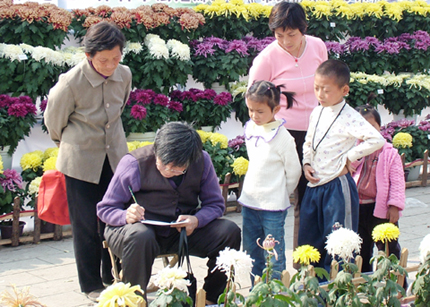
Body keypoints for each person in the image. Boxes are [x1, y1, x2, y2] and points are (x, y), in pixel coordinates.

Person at [97, 121, 241, 305]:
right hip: (133, 232)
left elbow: (215, 204)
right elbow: (105, 209)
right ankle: (134, 301)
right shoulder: (134, 163)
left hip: (179, 231)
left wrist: (197, 220)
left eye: (177, 168)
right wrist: (125, 215)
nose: (168, 171)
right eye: (163, 164)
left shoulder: (201, 161)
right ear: (156, 149)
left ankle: (212, 298)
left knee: (229, 231)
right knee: (141, 236)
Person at [44, 21, 132, 301]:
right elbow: (53, 122)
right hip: (81, 161)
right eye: (103, 60)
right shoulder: (71, 82)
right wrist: (71, 144)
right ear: (88, 56)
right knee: (87, 226)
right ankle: (92, 284)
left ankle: (116, 278)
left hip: (115, 158)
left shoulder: (125, 74)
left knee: (117, 219)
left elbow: (122, 108)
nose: (110, 66)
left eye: (116, 59)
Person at [247, 2, 328, 255]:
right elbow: (253, 100)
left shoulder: (317, 47)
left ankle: (308, 263)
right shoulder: (266, 59)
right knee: (279, 201)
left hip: (316, 132)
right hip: (283, 135)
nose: (285, 41)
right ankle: (275, 263)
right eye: (279, 35)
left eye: (291, 34)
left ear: (303, 29)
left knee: (310, 200)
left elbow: (326, 85)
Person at [298, 59, 385, 272]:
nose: (320, 94)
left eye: (326, 90)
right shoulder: (317, 112)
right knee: (310, 240)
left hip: (337, 186)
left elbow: (376, 139)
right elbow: (308, 141)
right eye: (316, 88)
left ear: (344, 90)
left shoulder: (350, 116)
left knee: (339, 243)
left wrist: (349, 157)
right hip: (314, 185)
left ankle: (337, 290)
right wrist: (307, 162)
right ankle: (312, 289)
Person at [239, 80, 301, 282]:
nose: (254, 116)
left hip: (273, 207)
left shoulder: (283, 138)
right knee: (251, 249)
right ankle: (256, 290)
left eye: (259, 111)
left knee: (272, 253)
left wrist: (282, 192)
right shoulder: (251, 129)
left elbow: (294, 171)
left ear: (276, 109)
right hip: (249, 202)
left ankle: (276, 293)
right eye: (250, 110)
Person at [352, 104, 405, 273]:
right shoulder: (354, 150)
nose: (367, 131)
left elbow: (397, 182)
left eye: (372, 126)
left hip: (381, 209)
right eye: (362, 127)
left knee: (388, 248)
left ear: (379, 127)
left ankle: (395, 282)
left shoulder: (389, 153)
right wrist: (356, 154)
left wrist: (394, 206)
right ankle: (364, 283)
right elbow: (347, 169)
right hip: (358, 207)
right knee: (361, 249)